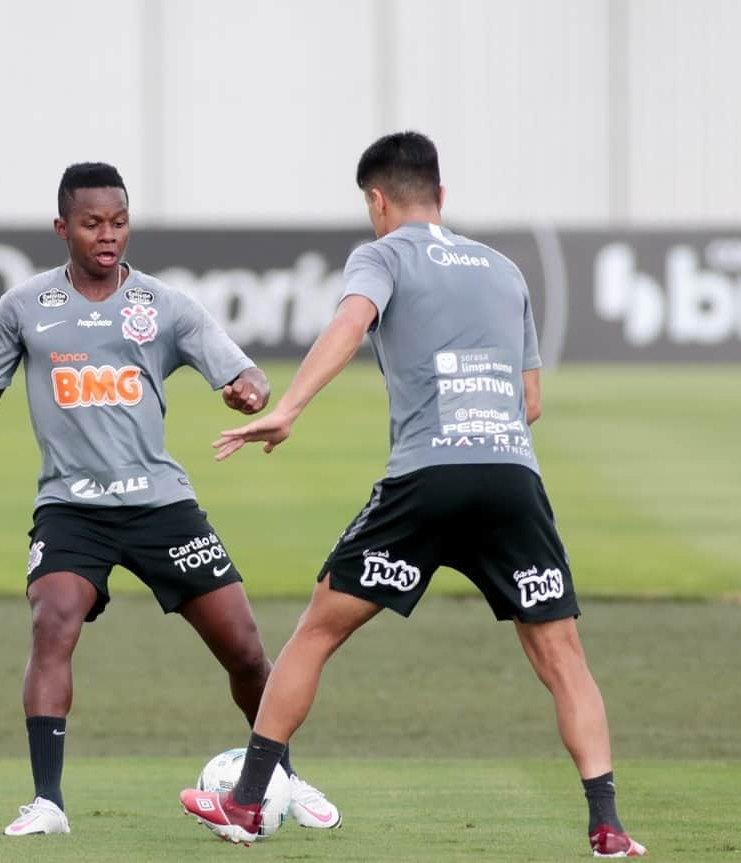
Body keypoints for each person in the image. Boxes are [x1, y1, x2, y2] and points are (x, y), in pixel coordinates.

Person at [180, 133, 646, 857]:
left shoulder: (383, 253)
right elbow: (531, 401)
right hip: (512, 480)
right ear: (442, 194)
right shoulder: (503, 269)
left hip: (426, 480)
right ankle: (608, 825)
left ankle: (245, 801)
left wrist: (290, 406)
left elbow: (351, 320)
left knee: (317, 630)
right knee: (562, 655)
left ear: (377, 199)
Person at [0, 162, 339, 837]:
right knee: (53, 621)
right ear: (62, 228)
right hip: (71, 508)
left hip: (160, 504)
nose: (108, 236)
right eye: (92, 223)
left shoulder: (165, 305)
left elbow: (243, 368)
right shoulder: (25, 305)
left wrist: (249, 388)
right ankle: (48, 800)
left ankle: (285, 776)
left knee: (247, 650)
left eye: (118, 222)